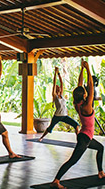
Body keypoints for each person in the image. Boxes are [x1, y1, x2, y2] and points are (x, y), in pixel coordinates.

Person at [51, 60, 105, 189]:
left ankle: (100, 172)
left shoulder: (78, 104)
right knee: (72, 161)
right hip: (85, 138)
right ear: (84, 95)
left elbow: (79, 85)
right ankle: (56, 180)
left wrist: (82, 69)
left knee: (100, 148)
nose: (87, 91)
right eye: (85, 92)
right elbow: (91, 87)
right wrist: (87, 69)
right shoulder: (86, 106)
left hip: (85, 136)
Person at [39, 67, 79, 141]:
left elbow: (61, 83)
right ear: (56, 89)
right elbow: (54, 83)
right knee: (50, 128)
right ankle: (41, 137)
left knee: (76, 125)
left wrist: (59, 73)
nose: (59, 88)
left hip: (64, 116)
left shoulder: (62, 96)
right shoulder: (55, 96)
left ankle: (79, 140)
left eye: (59, 87)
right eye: (57, 87)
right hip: (57, 116)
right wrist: (55, 74)